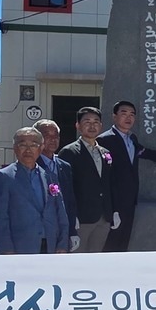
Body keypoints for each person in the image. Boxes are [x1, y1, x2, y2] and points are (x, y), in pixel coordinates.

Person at [97, 100, 156, 252]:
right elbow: (105, 178)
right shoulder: (105, 140)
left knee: (123, 242)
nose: (128, 118)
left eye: (132, 114)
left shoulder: (132, 138)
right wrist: (112, 210)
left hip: (130, 201)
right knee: (110, 244)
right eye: (123, 113)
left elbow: (144, 152)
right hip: (114, 203)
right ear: (114, 116)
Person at [0, 127, 71, 255]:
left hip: (50, 244)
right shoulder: (4, 177)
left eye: (33, 145)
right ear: (15, 147)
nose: (28, 150)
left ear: (41, 147)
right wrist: (6, 249)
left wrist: (63, 244)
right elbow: (0, 218)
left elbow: (60, 212)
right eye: (23, 145)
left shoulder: (49, 176)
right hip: (20, 246)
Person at [57, 107, 119, 253]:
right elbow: (66, 188)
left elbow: (110, 183)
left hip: (104, 217)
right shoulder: (69, 152)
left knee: (96, 257)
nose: (92, 126)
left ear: (101, 126)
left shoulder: (106, 152)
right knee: (77, 258)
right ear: (78, 125)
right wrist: (72, 217)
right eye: (87, 122)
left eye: (96, 122)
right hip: (82, 218)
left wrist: (114, 211)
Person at [34, 118, 79, 252]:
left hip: (62, 230)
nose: (52, 139)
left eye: (56, 136)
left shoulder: (64, 166)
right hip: (40, 233)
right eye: (47, 135)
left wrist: (72, 231)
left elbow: (69, 201)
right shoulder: (31, 164)